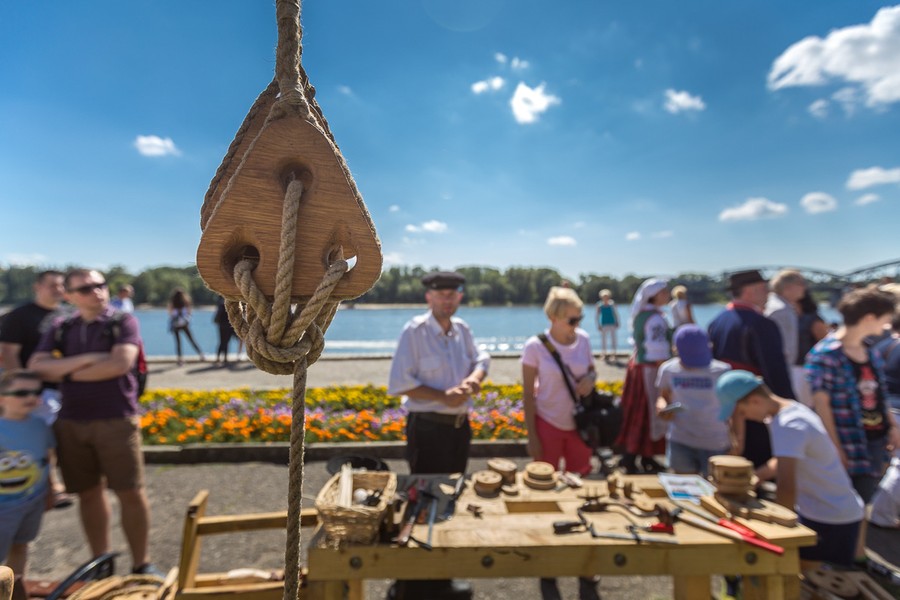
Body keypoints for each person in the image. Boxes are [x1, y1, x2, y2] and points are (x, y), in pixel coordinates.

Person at [28, 268, 161, 577]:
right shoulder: (61, 326)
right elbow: (37, 366)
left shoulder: (121, 321)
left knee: (130, 491)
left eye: (101, 285)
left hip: (116, 418)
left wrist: (64, 371)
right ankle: (101, 561)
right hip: (72, 420)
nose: (97, 292)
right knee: (88, 492)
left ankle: (142, 563)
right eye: (86, 288)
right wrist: (86, 362)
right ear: (70, 296)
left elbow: (119, 364)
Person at [387, 271, 488, 600]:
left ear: (459, 296)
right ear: (428, 297)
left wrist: (474, 379)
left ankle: (440, 580)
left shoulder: (462, 329)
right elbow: (399, 383)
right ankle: (410, 587)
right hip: (428, 428)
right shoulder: (414, 331)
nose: (447, 299)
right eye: (441, 294)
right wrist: (444, 396)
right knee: (422, 503)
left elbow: (481, 360)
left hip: (460, 429)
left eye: (453, 294)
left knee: (449, 502)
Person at [716, 370, 864, 568]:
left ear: (755, 401)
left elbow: (786, 485)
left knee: (814, 583)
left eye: (742, 412)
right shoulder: (787, 412)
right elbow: (782, 460)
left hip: (831, 516)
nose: (746, 418)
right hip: (823, 508)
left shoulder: (790, 425)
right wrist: (755, 478)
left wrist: (780, 531)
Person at [522, 286, 600, 600]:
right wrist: (532, 436)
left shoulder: (583, 340)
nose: (578, 323)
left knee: (582, 488)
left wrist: (590, 380)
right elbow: (528, 395)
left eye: (580, 317)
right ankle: (548, 563)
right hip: (548, 423)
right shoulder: (535, 347)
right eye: (573, 318)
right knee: (546, 493)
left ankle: (585, 562)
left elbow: (592, 370)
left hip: (578, 427)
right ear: (554, 317)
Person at [707, 269, 794, 480]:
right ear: (750, 291)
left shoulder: (716, 322)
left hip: (728, 403)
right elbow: (775, 370)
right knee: (760, 461)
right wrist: (787, 404)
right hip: (755, 405)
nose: (767, 294)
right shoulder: (761, 325)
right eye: (764, 289)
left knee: (734, 458)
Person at [0, 270, 71, 508]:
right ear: (37, 287)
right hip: (39, 392)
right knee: (40, 441)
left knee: (59, 440)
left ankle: (54, 484)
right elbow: (9, 353)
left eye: (61, 286)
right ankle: (51, 487)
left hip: (66, 389)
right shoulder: (19, 316)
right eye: (52, 285)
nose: (58, 290)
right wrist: (24, 392)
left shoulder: (67, 314)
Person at [0, 370, 56, 600]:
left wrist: (52, 489)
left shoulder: (40, 426)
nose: (30, 397)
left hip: (32, 500)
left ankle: (16, 588)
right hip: (2, 508)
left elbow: (47, 459)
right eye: (22, 392)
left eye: (36, 391)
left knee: (22, 544)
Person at [655, 325, 731, 477]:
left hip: (715, 441)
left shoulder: (722, 371)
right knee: (684, 491)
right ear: (675, 349)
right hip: (681, 440)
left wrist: (737, 441)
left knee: (714, 492)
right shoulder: (668, 369)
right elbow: (663, 396)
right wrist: (662, 409)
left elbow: (733, 408)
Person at [616, 278, 671, 474]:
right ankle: (634, 456)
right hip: (650, 370)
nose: (668, 294)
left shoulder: (644, 315)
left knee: (639, 413)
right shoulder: (655, 319)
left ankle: (642, 455)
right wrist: (667, 376)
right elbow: (657, 352)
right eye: (664, 292)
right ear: (654, 296)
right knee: (647, 413)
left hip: (640, 367)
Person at [765, 269, 807, 374]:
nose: (805, 288)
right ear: (788, 287)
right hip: (779, 369)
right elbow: (782, 348)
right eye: (801, 284)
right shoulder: (781, 310)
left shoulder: (778, 306)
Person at [793, 290, 830, 407]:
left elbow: (825, 344)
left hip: (806, 369)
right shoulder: (790, 318)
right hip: (793, 368)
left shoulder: (813, 319)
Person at [168, 289, 205, 366]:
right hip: (184, 324)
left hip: (176, 324)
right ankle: (201, 354)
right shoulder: (186, 302)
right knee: (191, 339)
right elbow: (189, 312)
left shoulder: (172, 303)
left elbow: (170, 313)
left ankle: (180, 360)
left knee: (178, 343)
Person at [595, 289, 619, 362]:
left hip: (612, 323)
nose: (605, 298)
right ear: (601, 297)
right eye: (604, 297)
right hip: (604, 324)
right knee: (603, 340)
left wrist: (617, 322)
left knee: (613, 339)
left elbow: (616, 314)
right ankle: (604, 354)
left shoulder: (612, 304)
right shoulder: (599, 305)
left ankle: (613, 354)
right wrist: (598, 325)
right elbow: (597, 316)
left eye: (607, 296)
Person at [213, 297, 237, 366]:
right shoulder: (230, 304)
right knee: (226, 342)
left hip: (221, 326)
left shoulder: (220, 303)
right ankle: (224, 359)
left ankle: (219, 358)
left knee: (222, 342)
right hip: (228, 326)